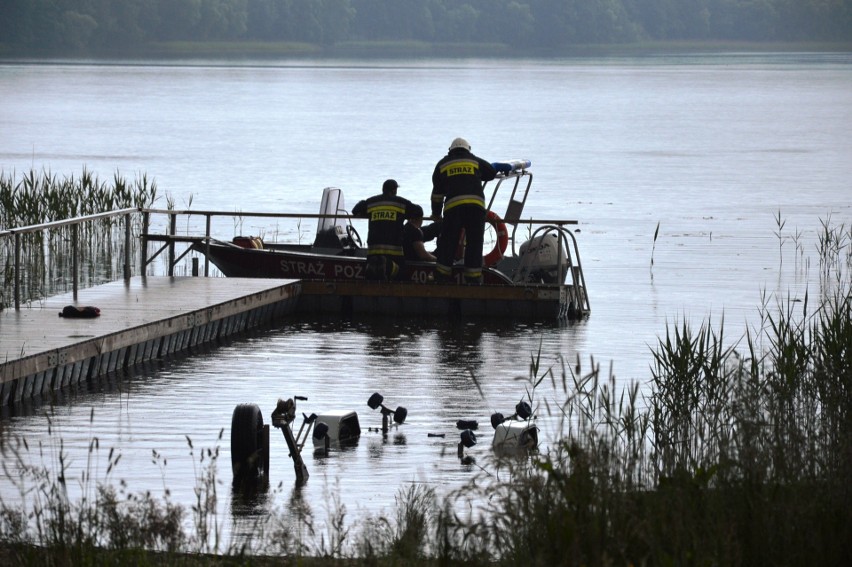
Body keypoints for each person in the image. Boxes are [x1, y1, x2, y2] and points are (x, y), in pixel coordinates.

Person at [431, 137, 497, 284]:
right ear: (468, 149)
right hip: (476, 208)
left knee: (448, 242)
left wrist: (436, 214)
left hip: (453, 209)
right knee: (474, 242)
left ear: (450, 150)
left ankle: (442, 277)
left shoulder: (442, 164)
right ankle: (473, 279)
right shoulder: (474, 160)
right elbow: (491, 173)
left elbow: (437, 195)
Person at [352, 179, 418, 280]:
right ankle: (387, 264)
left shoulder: (371, 202)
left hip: (373, 251)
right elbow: (418, 211)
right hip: (394, 251)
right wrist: (407, 216)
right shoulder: (401, 203)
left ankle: (374, 267)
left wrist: (366, 214)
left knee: (373, 278)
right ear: (394, 191)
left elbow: (355, 210)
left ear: (383, 190)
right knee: (401, 273)